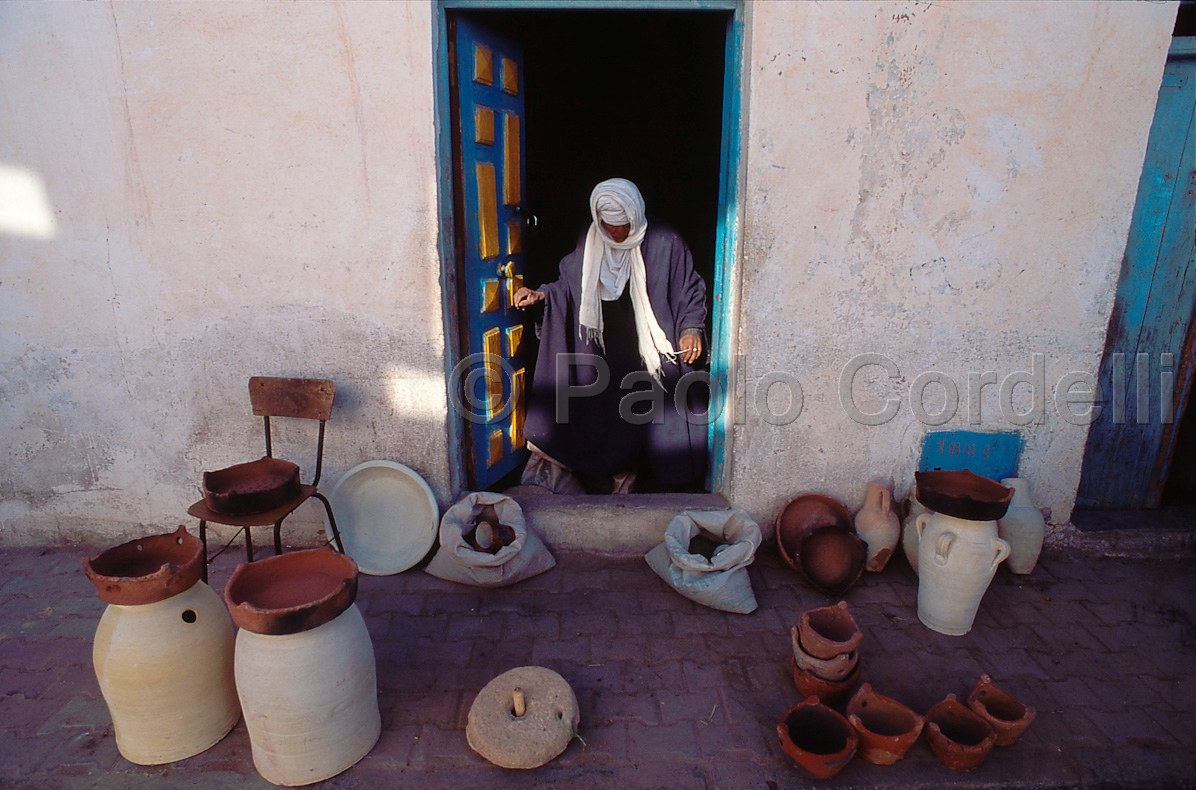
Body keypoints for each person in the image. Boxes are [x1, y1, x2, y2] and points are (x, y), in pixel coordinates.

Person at [513, 178, 708, 493]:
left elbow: (690, 291)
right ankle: (614, 473)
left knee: (657, 414)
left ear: (636, 215)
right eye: (608, 225)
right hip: (604, 347)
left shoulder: (664, 242)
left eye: (623, 225)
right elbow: (569, 286)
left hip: (652, 349)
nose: (616, 232)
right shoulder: (589, 242)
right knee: (603, 413)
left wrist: (690, 331)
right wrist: (542, 296)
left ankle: (661, 486)